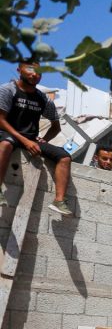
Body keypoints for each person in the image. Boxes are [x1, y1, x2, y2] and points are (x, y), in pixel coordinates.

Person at [0, 60, 72, 216]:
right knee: (5, 145)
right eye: (30, 69)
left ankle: (59, 201)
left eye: (39, 72)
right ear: (19, 70)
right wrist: (25, 141)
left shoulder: (43, 98)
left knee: (65, 157)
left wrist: (44, 139)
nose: (34, 74)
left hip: (31, 138)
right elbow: (1, 120)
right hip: (7, 133)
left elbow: (56, 126)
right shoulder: (8, 90)